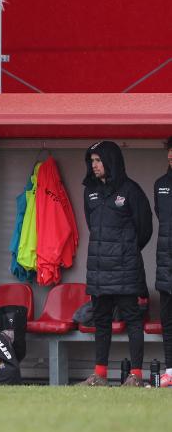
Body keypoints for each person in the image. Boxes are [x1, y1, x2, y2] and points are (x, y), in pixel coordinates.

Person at [79, 141, 153, 387]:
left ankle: (136, 376)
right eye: (92, 161)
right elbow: (93, 226)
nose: (94, 165)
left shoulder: (131, 191)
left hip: (126, 270)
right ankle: (99, 375)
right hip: (99, 271)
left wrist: (125, 250)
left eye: (98, 161)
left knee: (133, 321)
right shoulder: (89, 191)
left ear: (111, 161)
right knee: (101, 322)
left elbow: (144, 229)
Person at [154, 137, 172, 388]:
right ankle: (170, 371)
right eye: (169, 154)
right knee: (168, 322)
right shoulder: (160, 185)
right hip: (165, 265)